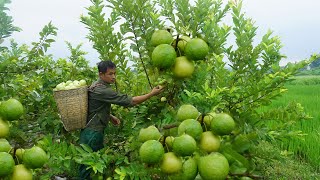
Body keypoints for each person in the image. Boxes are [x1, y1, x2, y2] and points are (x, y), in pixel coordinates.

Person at [79, 60, 164, 179]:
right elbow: (131, 101)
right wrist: (151, 94)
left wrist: (110, 116)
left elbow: (95, 106)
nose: (113, 77)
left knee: (94, 163)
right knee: (86, 168)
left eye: (114, 73)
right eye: (110, 74)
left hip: (90, 131)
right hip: (92, 134)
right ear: (101, 74)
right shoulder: (103, 90)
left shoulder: (96, 85)